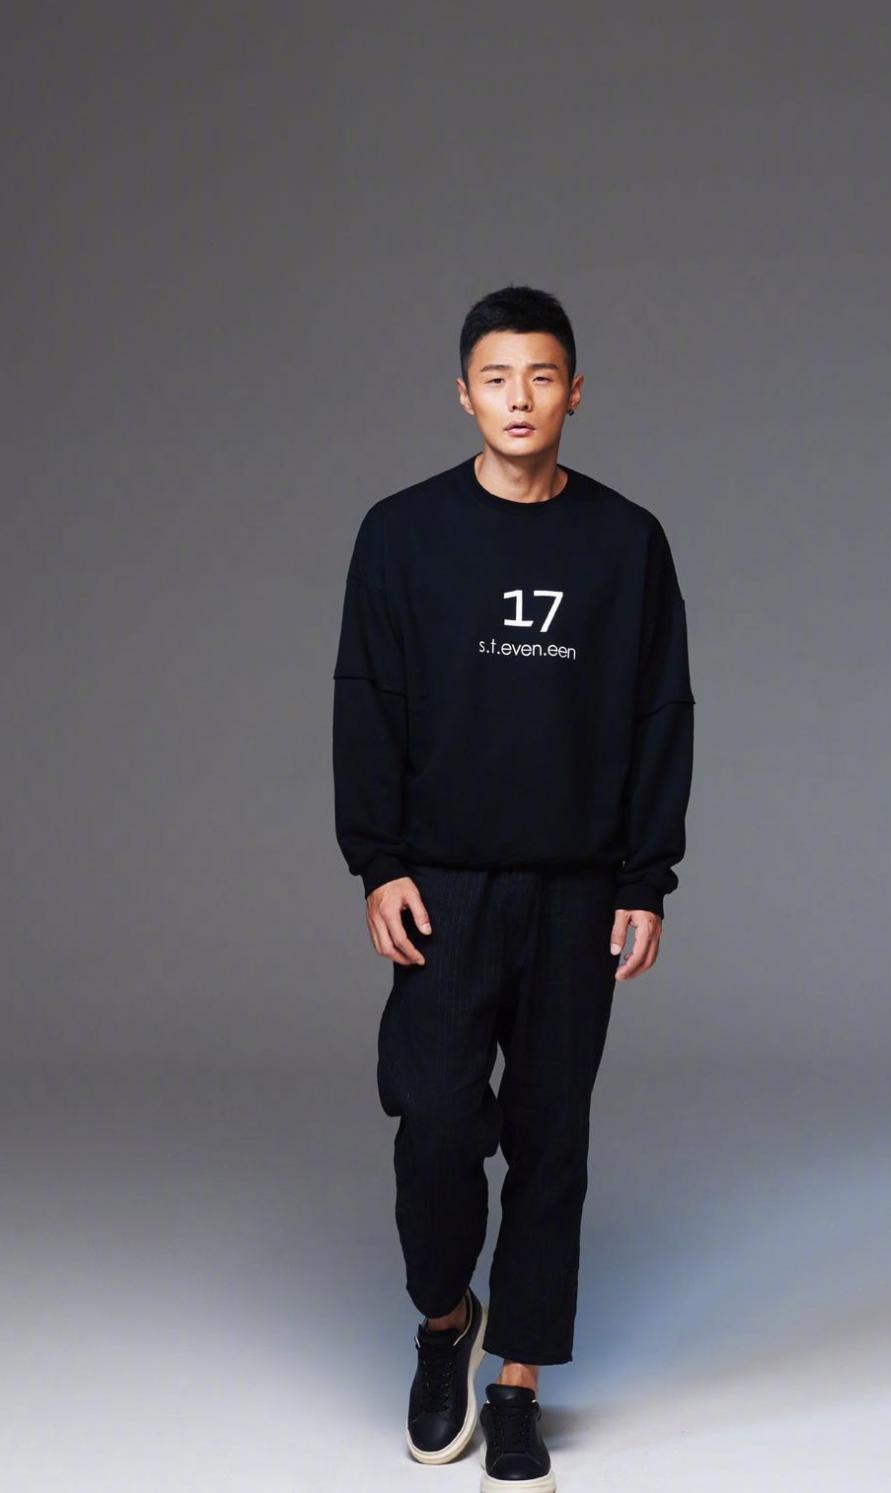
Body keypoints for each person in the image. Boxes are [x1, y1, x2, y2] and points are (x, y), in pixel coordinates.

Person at [331, 284, 695, 1491]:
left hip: (577, 886)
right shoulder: (402, 533)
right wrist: (379, 860)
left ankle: (519, 1377)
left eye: (542, 376)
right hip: (442, 883)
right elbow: (366, 700)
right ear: (463, 393)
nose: (520, 398)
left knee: (550, 1135)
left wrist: (646, 876)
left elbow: (659, 710)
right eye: (497, 377)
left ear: (574, 391)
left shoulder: (624, 541)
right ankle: (446, 1319)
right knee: (434, 1118)